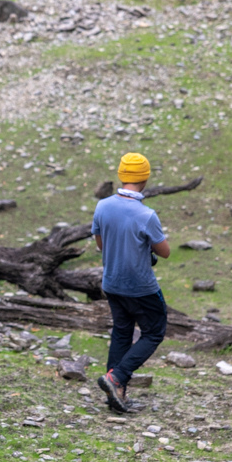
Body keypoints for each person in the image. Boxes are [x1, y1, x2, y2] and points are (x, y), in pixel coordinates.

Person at [93, 153, 170, 413]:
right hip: (141, 288)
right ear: (145, 178)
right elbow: (165, 251)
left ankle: (116, 395)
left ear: (121, 175)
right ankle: (116, 378)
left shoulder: (102, 206)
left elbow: (101, 244)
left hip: (112, 283)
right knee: (154, 331)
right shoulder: (146, 214)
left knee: (122, 332)